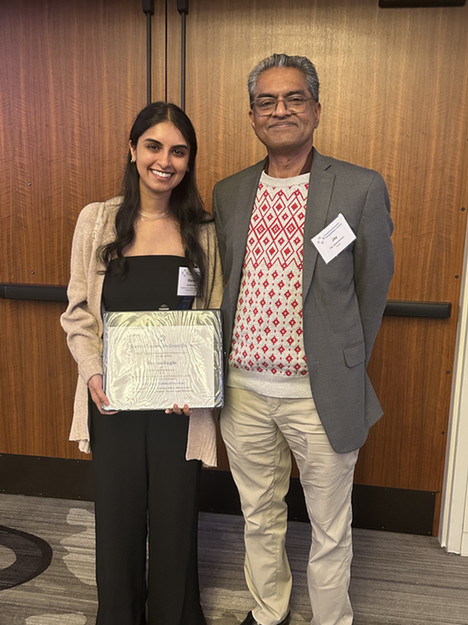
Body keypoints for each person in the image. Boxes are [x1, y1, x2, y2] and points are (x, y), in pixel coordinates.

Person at [212, 54, 394, 625]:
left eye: (293, 99)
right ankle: (269, 611)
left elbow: (373, 286)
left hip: (320, 392)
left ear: (315, 109)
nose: (281, 110)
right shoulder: (230, 192)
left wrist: (345, 360)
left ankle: (331, 619)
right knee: (258, 513)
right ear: (252, 117)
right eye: (267, 102)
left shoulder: (360, 188)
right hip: (242, 391)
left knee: (329, 523)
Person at [61, 101, 223, 625]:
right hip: (114, 401)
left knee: (176, 518)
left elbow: (214, 316)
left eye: (178, 151)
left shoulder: (204, 230)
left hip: (180, 406)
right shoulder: (98, 220)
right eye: (153, 146)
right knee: (118, 517)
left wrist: (198, 383)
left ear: (189, 161)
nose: (165, 160)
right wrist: (92, 372)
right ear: (133, 151)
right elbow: (80, 314)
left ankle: (174, 615)